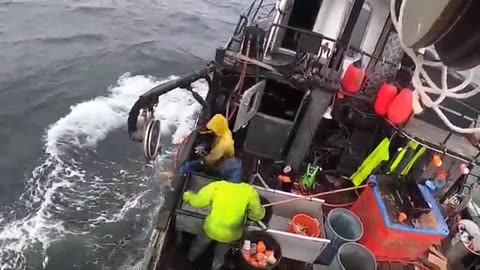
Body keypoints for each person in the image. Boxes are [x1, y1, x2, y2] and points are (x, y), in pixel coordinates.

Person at [184, 180, 265, 270]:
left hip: (211, 228)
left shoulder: (217, 186)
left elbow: (197, 202)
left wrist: (188, 195)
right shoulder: (249, 192)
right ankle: (215, 267)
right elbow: (256, 215)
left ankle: (190, 259)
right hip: (230, 234)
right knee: (221, 253)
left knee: (200, 243)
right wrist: (261, 210)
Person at [180, 114, 242, 182]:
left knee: (202, 166)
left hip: (222, 161)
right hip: (221, 155)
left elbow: (209, 160)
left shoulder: (222, 145)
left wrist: (196, 163)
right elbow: (214, 140)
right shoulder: (225, 131)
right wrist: (204, 146)